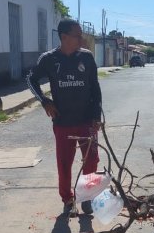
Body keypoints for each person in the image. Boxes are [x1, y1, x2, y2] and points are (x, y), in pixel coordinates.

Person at [26, 19, 102, 216]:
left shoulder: (86, 58)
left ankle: (87, 197)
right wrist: (44, 101)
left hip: (87, 121)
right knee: (64, 163)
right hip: (63, 122)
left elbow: (95, 89)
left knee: (91, 160)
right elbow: (31, 79)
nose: (81, 39)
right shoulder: (49, 59)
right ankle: (68, 199)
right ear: (64, 37)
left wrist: (96, 116)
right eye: (77, 35)